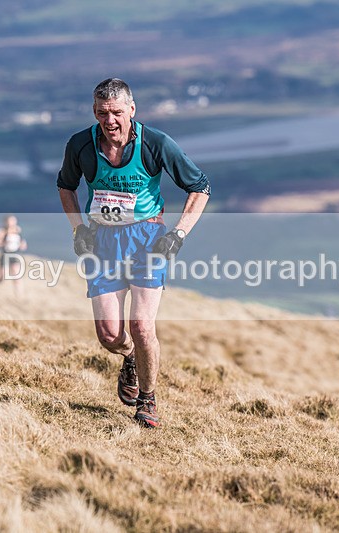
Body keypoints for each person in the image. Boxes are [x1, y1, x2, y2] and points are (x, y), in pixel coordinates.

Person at [57, 78, 210, 428]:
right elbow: (66, 185)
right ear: (94, 111)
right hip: (102, 241)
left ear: (132, 110)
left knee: (141, 325)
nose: (109, 120)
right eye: (101, 113)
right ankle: (130, 358)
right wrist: (78, 229)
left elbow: (200, 187)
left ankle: (147, 399)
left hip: (147, 239)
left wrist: (178, 234)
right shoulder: (81, 144)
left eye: (116, 112)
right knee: (110, 335)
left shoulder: (156, 143)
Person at [0, 214, 27, 295]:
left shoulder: (18, 231)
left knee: (17, 277)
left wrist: (22, 245)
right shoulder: (2, 231)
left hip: (14, 255)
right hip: (5, 255)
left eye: (13, 221)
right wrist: (4, 243)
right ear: (6, 222)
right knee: (3, 277)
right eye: (10, 221)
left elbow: (22, 244)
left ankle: (19, 296)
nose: (12, 223)